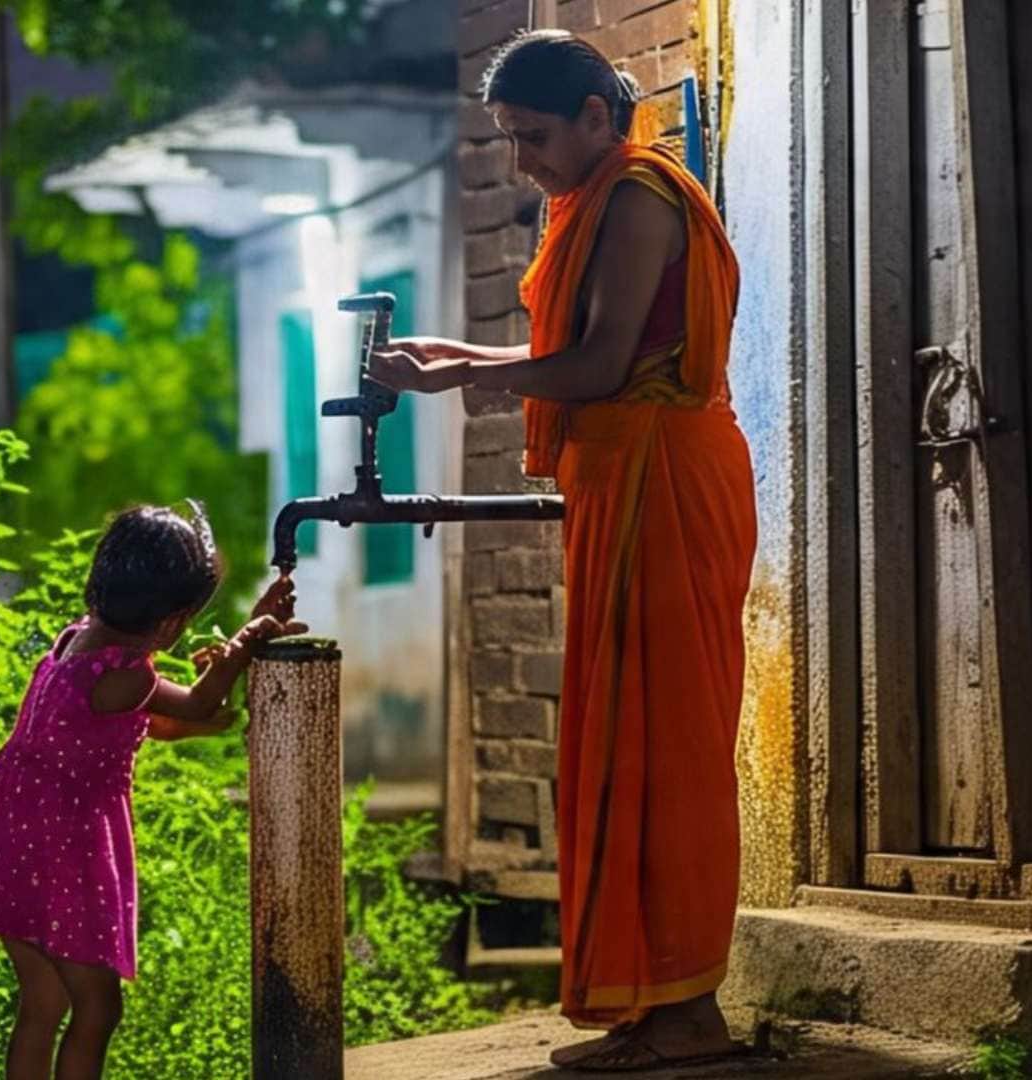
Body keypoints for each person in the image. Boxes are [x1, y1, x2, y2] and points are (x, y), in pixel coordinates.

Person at [367, 28, 755, 1073]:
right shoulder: (586, 198)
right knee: (618, 738)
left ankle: (688, 1010)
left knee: (665, 744)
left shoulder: (637, 198)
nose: (521, 162)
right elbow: (569, 358)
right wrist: (457, 356)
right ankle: (648, 1003)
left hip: (666, 480)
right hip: (625, 478)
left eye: (533, 138)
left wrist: (452, 378)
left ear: (595, 115)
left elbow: (593, 363)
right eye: (507, 141)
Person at [0, 503, 303, 1080]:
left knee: (43, 1003)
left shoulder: (77, 643)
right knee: (97, 1006)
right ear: (169, 623)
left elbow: (158, 719)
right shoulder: (128, 676)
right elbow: (193, 705)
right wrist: (247, 640)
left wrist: (214, 691)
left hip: (14, 840)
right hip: (62, 853)